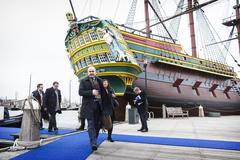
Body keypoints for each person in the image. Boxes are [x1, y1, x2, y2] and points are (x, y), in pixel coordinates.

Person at [79, 66, 104, 151]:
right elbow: (80, 92)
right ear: (87, 72)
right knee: (91, 125)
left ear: (95, 72)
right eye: (90, 71)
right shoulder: (83, 81)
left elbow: (104, 91)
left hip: (98, 106)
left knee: (97, 125)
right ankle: (93, 143)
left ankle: (94, 140)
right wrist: (91, 92)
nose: (91, 72)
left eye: (93, 71)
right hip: (88, 106)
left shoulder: (100, 80)